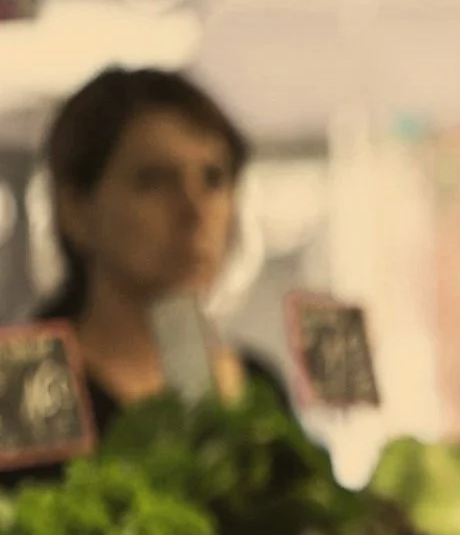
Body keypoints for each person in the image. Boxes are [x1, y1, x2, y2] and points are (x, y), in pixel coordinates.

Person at [27, 67, 286, 450]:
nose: (195, 210)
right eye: (153, 180)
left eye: (214, 179)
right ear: (75, 211)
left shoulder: (258, 388)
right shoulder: (25, 387)